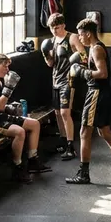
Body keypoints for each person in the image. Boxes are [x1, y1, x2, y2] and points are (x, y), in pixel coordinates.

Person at [66, 18, 111, 184]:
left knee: (84, 132)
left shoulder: (96, 49)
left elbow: (102, 73)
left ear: (88, 34)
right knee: (104, 131)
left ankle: (83, 174)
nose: (79, 38)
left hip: (97, 93)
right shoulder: (93, 48)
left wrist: (84, 73)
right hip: (100, 93)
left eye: (81, 35)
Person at [0, 53, 51, 182]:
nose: (7, 70)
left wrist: (11, 107)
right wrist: (9, 88)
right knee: (19, 132)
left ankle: (32, 160)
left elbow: (1, 106)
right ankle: (17, 167)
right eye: (4, 66)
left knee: (34, 124)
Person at [42, 14, 86, 160]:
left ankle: (70, 146)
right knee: (57, 113)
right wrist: (45, 54)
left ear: (63, 25)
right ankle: (63, 141)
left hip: (68, 80)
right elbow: (50, 64)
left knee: (65, 113)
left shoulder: (72, 38)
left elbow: (84, 56)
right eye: (52, 28)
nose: (54, 30)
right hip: (55, 80)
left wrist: (75, 63)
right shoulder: (52, 41)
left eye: (57, 27)